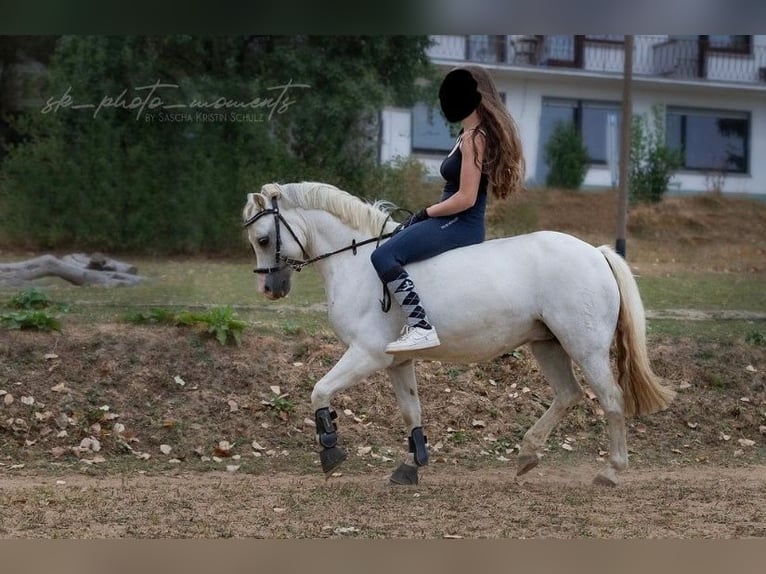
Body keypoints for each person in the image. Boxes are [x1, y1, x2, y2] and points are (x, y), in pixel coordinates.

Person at [371, 66, 526, 353]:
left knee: (384, 254)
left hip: (460, 222)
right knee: (393, 241)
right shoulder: (466, 134)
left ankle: (420, 326)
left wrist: (427, 212)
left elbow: (466, 197)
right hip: (452, 219)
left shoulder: (473, 138)